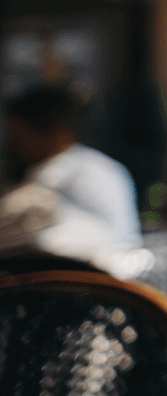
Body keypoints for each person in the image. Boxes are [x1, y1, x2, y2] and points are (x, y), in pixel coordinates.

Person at [0, 84, 142, 268]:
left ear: (58, 132)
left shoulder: (61, 172)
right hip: (120, 283)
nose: (11, 147)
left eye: (19, 138)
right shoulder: (102, 166)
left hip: (88, 282)